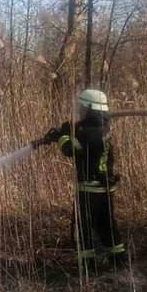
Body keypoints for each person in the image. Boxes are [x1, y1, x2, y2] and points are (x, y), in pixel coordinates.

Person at [35, 89, 126, 270]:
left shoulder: (87, 132)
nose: (79, 111)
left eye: (82, 108)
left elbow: (70, 150)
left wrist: (63, 136)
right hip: (105, 190)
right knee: (106, 226)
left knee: (82, 229)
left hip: (89, 191)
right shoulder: (102, 130)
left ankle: (87, 265)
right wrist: (61, 134)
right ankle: (119, 262)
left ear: (90, 108)